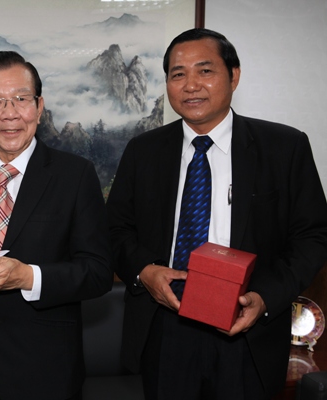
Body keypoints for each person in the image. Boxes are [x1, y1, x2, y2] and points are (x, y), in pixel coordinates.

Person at [106, 28, 327, 400]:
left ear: (233, 75)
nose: (190, 85)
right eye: (178, 74)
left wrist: (265, 298)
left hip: (248, 332)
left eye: (204, 71)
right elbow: (114, 229)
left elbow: (313, 236)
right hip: (164, 328)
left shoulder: (284, 147)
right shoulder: (144, 151)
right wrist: (146, 272)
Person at [0, 51, 113, 400]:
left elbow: (98, 272)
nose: (10, 113)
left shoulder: (74, 175)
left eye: (21, 99)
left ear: (39, 106)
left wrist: (27, 277)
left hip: (46, 372)